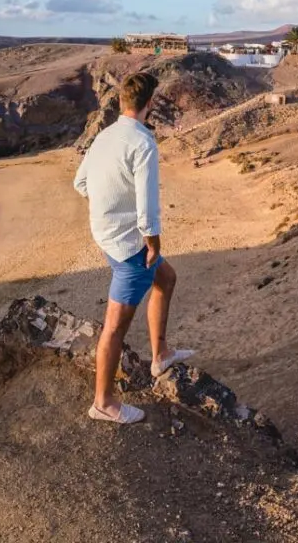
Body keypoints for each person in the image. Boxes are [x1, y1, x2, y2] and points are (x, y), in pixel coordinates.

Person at [74, 71, 194, 424]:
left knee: (166, 279)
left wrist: (107, 206)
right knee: (114, 328)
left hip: (106, 233)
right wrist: (153, 243)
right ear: (149, 104)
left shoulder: (106, 135)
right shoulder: (143, 143)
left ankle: (161, 355)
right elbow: (147, 206)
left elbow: (80, 182)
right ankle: (103, 403)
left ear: (123, 102)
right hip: (128, 245)